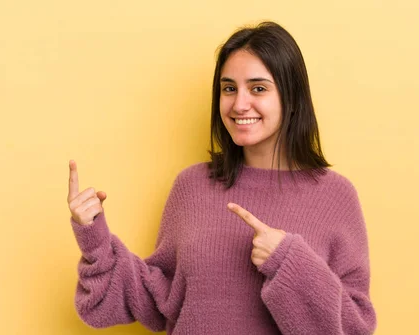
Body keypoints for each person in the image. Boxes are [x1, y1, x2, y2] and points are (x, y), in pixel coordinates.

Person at [67, 21, 377, 334]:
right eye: (229, 88)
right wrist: (93, 234)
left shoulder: (335, 196)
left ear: (291, 97)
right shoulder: (192, 186)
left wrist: (287, 262)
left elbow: (354, 327)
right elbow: (155, 298)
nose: (239, 104)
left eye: (258, 88)